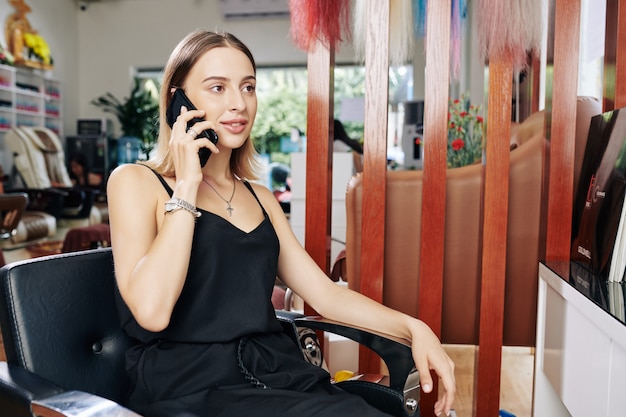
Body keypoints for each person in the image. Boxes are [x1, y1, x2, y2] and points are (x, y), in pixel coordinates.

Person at [107, 30, 455, 417]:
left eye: (248, 87)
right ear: (178, 102)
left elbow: (326, 295)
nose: (239, 103)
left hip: (275, 372)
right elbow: (152, 312)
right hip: (189, 386)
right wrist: (187, 185)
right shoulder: (135, 182)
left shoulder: (261, 198)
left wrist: (413, 327)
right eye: (217, 88)